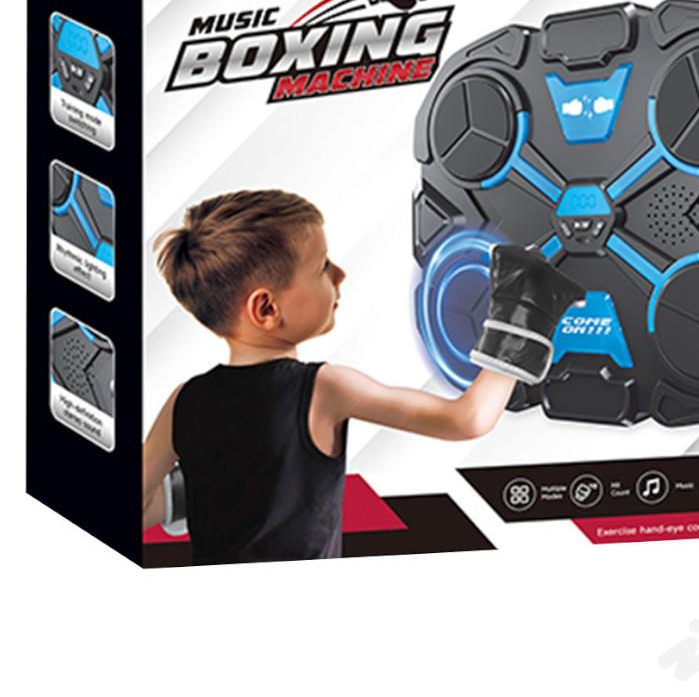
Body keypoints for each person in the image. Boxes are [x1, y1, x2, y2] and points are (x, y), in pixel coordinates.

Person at [142, 188, 515, 563]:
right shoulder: (324, 389)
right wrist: (521, 317)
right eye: (322, 266)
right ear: (267, 308)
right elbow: (467, 419)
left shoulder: (184, 402)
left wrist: (211, 486)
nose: (340, 273)